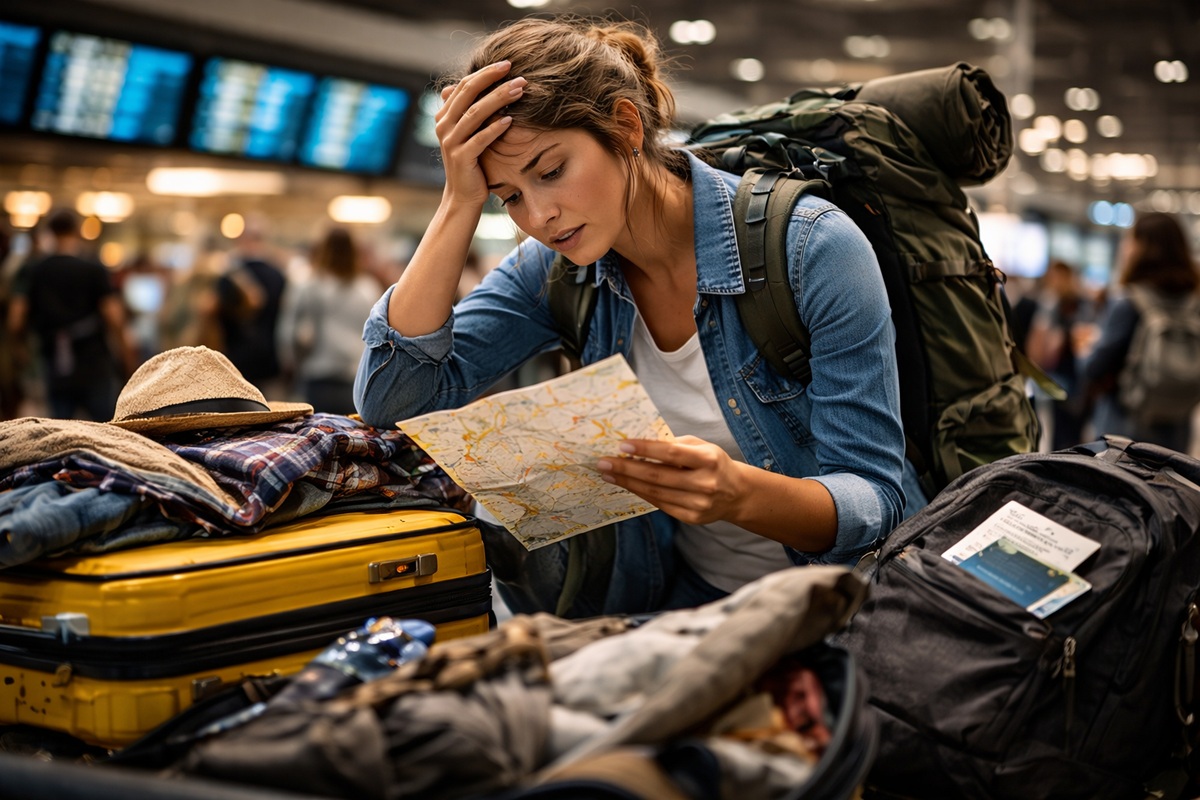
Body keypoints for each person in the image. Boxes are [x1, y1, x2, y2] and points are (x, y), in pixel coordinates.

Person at [354, 16, 914, 616]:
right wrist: (458, 200)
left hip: (837, 608)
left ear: (625, 127)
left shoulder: (811, 249)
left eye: (550, 171)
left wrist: (736, 493)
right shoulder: (553, 268)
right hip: (682, 602)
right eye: (510, 196)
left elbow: (876, 498)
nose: (540, 215)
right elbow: (393, 400)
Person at [1082, 211, 1200, 452]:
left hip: (1123, 429)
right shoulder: (1195, 302)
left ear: (1142, 247)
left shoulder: (1128, 301)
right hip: (1178, 427)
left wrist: (1083, 349)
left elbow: (1094, 368)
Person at [6, 209, 136, 421]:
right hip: (94, 362)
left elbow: (16, 318)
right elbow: (114, 316)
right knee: (109, 429)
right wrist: (126, 354)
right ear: (77, 232)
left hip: (54, 361)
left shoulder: (34, 270)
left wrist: (19, 350)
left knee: (59, 432)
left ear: (49, 232)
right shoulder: (93, 268)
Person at [276, 226, 380, 415]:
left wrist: (290, 364)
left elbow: (288, 334)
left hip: (317, 377)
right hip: (356, 379)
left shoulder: (307, 286)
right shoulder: (368, 289)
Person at [1024, 259, 1097, 450]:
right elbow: (1038, 339)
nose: (1056, 282)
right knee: (1058, 434)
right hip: (1057, 377)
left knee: (1074, 433)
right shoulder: (1050, 304)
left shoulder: (1083, 304)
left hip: (1079, 377)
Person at [215, 218, 287, 400]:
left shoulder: (227, 278)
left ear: (242, 240)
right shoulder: (278, 276)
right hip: (270, 360)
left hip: (234, 361)